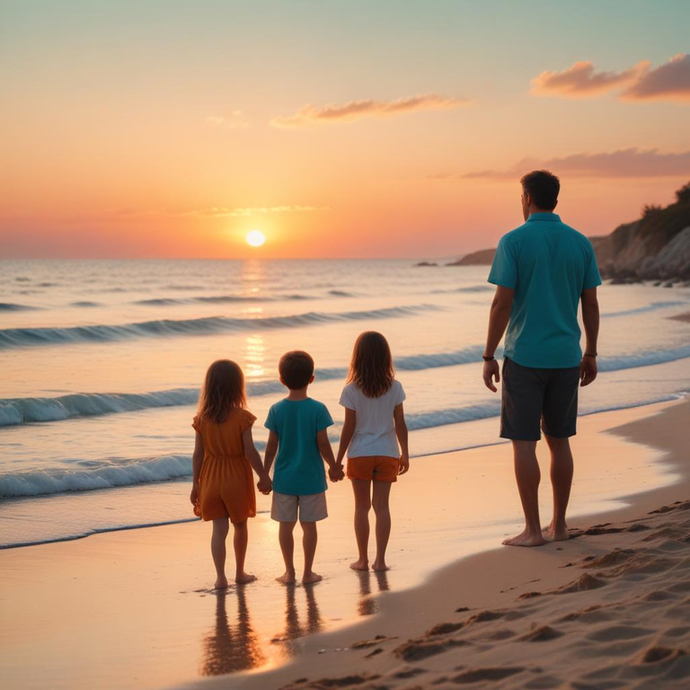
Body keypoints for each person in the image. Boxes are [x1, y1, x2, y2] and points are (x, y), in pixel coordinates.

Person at [482, 170, 601, 547]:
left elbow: (502, 302)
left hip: (525, 357)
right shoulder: (580, 243)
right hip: (566, 356)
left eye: (521, 197)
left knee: (523, 443)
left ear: (528, 198)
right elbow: (590, 302)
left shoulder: (514, 241)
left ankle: (533, 531)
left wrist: (488, 354)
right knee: (560, 441)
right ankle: (560, 525)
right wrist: (591, 352)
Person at [190, 360, 272, 588]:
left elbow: (198, 454)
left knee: (219, 529)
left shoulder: (201, 419)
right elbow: (249, 451)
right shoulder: (242, 417)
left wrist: (195, 484)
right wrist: (263, 475)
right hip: (235, 476)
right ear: (238, 387)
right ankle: (239, 572)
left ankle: (220, 578)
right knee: (240, 525)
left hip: (211, 477)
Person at [263, 350, 343, 585]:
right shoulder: (318, 409)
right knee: (309, 527)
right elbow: (323, 443)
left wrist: (265, 474)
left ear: (281, 380)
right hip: (311, 479)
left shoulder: (276, 409)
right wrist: (334, 466)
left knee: (285, 527)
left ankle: (289, 572)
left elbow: (271, 446)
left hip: (284, 480)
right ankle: (308, 573)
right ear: (312, 378)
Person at [335, 331, 410, 572]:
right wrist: (405, 453)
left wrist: (337, 459)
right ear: (386, 357)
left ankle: (362, 560)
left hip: (360, 453)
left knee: (361, 507)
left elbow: (348, 428)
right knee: (382, 507)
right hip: (387, 452)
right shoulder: (395, 388)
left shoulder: (351, 390)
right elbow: (400, 423)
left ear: (357, 358)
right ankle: (380, 561)